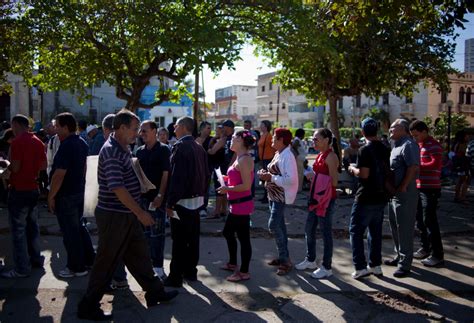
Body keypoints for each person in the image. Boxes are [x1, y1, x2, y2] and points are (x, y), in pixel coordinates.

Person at [77, 109, 177, 321]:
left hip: (125, 214)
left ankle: (155, 293)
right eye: (134, 129)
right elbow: (117, 188)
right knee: (106, 262)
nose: (137, 133)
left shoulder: (122, 147)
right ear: (121, 128)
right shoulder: (112, 150)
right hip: (115, 216)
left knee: (140, 256)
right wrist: (140, 213)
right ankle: (88, 305)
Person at [48, 113, 95, 278]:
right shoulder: (81, 142)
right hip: (78, 192)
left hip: (67, 194)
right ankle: (89, 260)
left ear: (66, 127)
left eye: (57, 126)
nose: (55, 129)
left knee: (71, 233)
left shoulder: (67, 145)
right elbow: (83, 169)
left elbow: (59, 174)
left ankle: (76, 266)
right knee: (79, 229)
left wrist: (51, 196)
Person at [164, 116, 209, 288]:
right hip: (196, 201)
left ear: (183, 127)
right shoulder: (198, 147)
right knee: (192, 239)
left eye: (175, 126)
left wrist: (170, 202)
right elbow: (206, 175)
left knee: (179, 241)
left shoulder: (181, 147)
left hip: (182, 201)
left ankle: (175, 276)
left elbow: (177, 178)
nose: (173, 129)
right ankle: (190, 272)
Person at [0, 114, 47, 278]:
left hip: (19, 189)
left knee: (18, 231)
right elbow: (43, 165)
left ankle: (21, 268)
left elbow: (16, 167)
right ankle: (36, 260)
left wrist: (6, 166)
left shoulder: (18, 142)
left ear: (16, 125)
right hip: (33, 188)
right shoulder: (38, 141)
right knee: (32, 228)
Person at [347, 118, 390, 279]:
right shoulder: (385, 148)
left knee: (356, 231)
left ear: (363, 132)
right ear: (377, 131)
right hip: (381, 195)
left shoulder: (364, 150)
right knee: (375, 232)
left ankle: (360, 267)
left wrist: (352, 169)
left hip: (365, 196)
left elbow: (364, 174)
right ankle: (375, 265)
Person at [295, 128, 340, 279]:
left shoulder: (331, 157)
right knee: (309, 229)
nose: (313, 141)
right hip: (316, 198)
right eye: (313, 139)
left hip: (326, 200)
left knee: (326, 233)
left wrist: (317, 180)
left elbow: (334, 182)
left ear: (326, 139)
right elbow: (322, 177)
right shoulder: (321, 155)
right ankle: (311, 259)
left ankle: (327, 267)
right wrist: (313, 176)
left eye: (316, 139)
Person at [258, 128, 298, 276]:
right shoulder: (279, 153)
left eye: (274, 137)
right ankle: (283, 258)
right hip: (274, 195)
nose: (272, 140)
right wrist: (265, 175)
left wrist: (270, 178)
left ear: (281, 140)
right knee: (280, 226)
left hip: (280, 197)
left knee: (273, 225)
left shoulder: (288, 155)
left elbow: (291, 179)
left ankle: (285, 260)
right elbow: (274, 173)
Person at [217, 130, 255, 282]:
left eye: (233, 138)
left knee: (241, 237)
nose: (230, 140)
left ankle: (244, 272)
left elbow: (246, 186)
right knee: (230, 233)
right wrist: (226, 179)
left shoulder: (245, 159)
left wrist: (227, 189)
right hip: (237, 204)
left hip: (242, 205)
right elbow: (238, 178)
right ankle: (233, 264)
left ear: (240, 140)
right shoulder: (240, 157)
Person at [384, 119, 420, 278]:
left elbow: (413, 167)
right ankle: (399, 255)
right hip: (394, 192)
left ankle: (405, 264)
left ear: (404, 129)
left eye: (394, 127)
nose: (390, 129)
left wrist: (404, 185)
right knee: (394, 224)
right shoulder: (396, 144)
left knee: (404, 227)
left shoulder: (409, 144)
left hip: (405, 192)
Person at [136, 120, 171, 280]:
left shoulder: (164, 150)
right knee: (144, 235)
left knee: (157, 234)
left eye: (145, 131)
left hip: (157, 199)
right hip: (142, 200)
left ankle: (158, 267)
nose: (142, 134)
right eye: (141, 131)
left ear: (154, 131)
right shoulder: (139, 151)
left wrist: (160, 195)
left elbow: (165, 174)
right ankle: (147, 267)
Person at [409, 120, 444, 267]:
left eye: (416, 135)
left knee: (429, 221)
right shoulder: (419, 145)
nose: (415, 138)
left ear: (424, 131)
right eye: (413, 136)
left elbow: (436, 164)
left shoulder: (434, 145)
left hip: (430, 188)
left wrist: (417, 167)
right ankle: (425, 247)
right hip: (420, 186)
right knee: (420, 221)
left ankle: (437, 255)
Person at [207, 125, 227, 219]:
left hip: (220, 167)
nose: (216, 132)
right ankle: (223, 210)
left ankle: (217, 211)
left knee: (219, 189)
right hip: (218, 166)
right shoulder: (217, 139)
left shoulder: (222, 140)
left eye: (218, 130)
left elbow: (212, 151)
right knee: (222, 188)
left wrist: (210, 150)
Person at [196, 121, 213, 218]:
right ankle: (197, 207)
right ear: (202, 129)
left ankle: (203, 208)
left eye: (210, 128)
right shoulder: (195, 138)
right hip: (196, 168)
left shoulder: (211, 140)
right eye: (208, 128)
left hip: (207, 167)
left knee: (205, 188)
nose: (210, 130)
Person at [257, 120, 276, 203]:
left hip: (268, 158)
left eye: (262, 125)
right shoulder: (263, 135)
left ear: (266, 126)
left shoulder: (269, 136)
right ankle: (266, 196)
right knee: (264, 178)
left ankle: (267, 196)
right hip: (263, 159)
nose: (260, 126)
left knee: (266, 178)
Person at [452, 131, 470, 203]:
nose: (468, 137)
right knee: (465, 181)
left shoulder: (457, 144)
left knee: (460, 181)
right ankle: (462, 197)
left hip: (459, 164)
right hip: (463, 164)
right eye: (466, 136)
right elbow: (465, 154)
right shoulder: (463, 145)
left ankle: (457, 196)